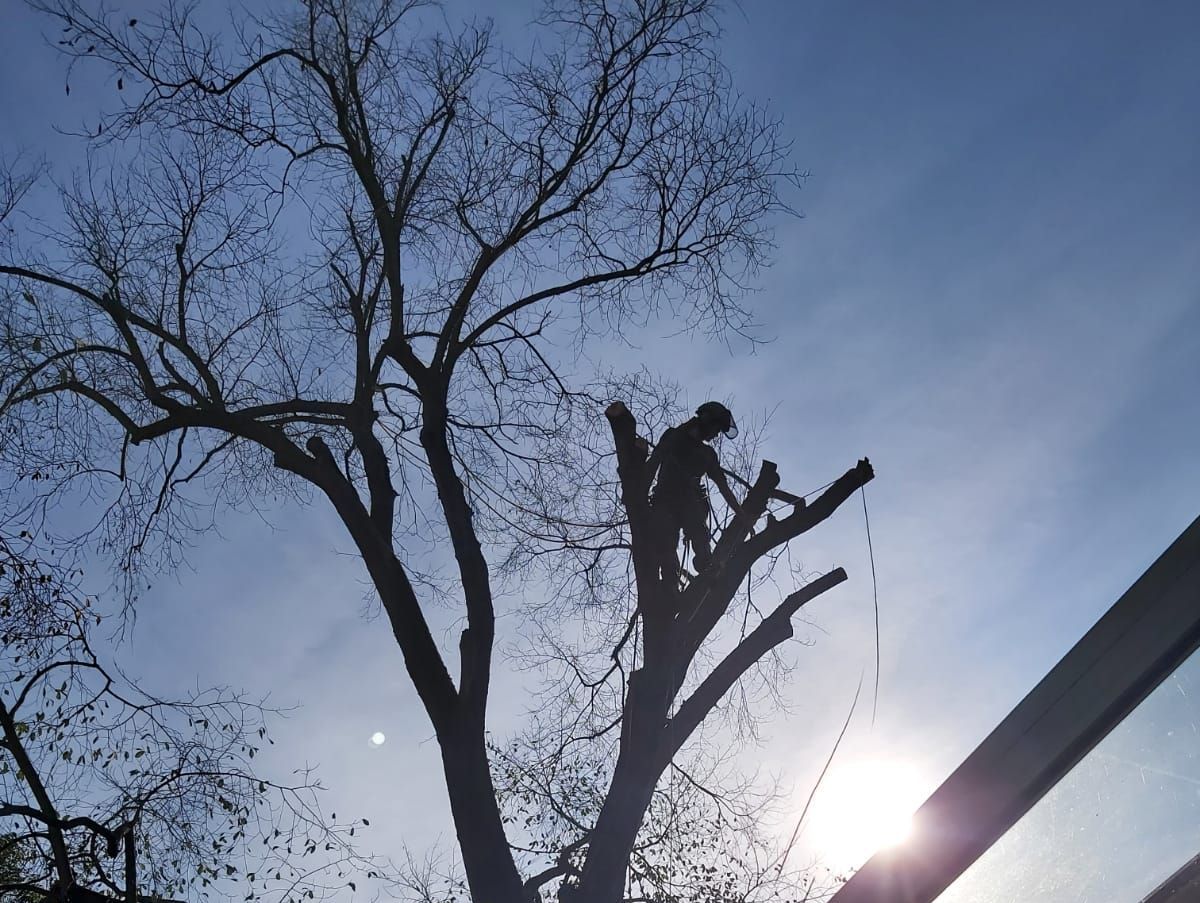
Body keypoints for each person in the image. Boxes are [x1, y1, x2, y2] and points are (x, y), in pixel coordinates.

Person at [646, 402, 743, 576]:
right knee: (666, 548)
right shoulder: (674, 437)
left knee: (700, 537)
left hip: (691, 504)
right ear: (707, 420)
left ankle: (707, 566)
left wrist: (741, 514)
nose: (715, 435)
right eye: (716, 428)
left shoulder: (707, 454)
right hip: (665, 501)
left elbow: (723, 486)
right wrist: (638, 491)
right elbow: (653, 463)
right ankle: (670, 583)